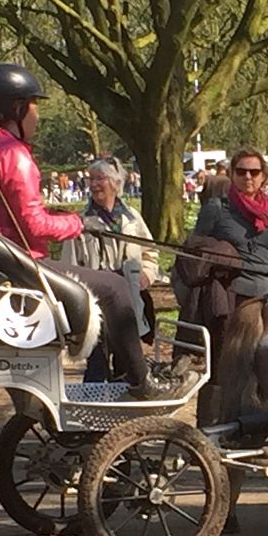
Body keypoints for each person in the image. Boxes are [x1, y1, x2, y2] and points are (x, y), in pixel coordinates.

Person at [0, 63, 194, 400]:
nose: (38, 116)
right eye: (35, 106)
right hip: (16, 270)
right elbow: (34, 225)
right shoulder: (11, 153)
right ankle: (142, 382)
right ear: (17, 108)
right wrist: (78, 223)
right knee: (116, 287)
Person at [174, 147, 268, 423]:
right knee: (222, 370)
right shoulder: (216, 209)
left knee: (257, 371)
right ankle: (208, 430)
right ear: (232, 174)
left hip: (265, 301)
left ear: (264, 177)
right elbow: (193, 253)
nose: (248, 177)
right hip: (229, 301)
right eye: (241, 171)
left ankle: (246, 431)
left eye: (254, 172)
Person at [61, 156, 161, 381]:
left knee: (127, 360)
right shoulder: (80, 222)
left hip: (127, 297)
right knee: (96, 362)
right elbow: (68, 266)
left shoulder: (132, 218)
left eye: (100, 179)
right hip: (95, 301)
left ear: (116, 183)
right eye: (91, 179)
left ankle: (128, 407)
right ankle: (92, 410)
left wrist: (146, 274)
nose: (94, 184)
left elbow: (151, 252)